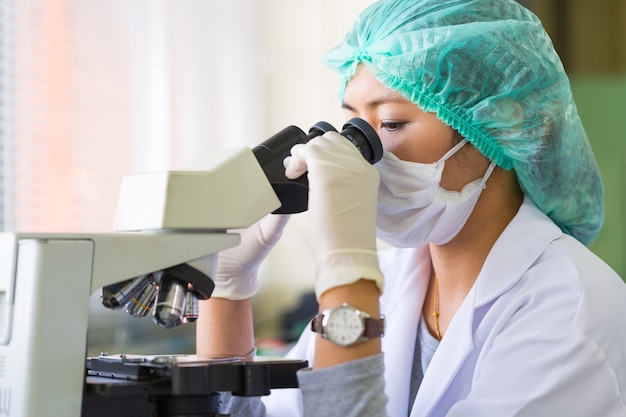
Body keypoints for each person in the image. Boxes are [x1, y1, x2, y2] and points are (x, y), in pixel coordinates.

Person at [195, 0, 626, 416]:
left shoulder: (568, 316)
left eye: (392, 123)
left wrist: (347, 274)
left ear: (499, 121)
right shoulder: (398, 277)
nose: (357, 152)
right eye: (352, 124)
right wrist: (227, 292)